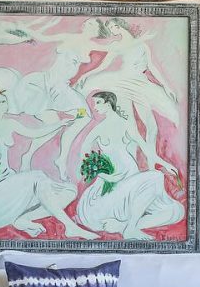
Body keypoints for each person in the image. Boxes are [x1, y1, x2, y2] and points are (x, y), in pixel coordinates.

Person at [0, 88, 98, 240]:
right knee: (38, 177)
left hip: (5, 183)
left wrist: (60, 124)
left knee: (69, 191)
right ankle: (70, 227)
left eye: (5, 100)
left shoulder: (10, 123)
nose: (5, 104)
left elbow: (35, 133)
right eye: (0, 102)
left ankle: (24, 219)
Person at [70, 18, 181, 178]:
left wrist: (166, 86)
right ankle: (133, 169)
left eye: (113, 27)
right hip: (122, 84)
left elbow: (152, 67)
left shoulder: (142, 45)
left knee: (151, 126)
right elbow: (103, 65)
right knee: (131, 127)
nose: (112, 31)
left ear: (119, 26)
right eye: (110, 29)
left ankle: (152, 164)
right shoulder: (116, 45)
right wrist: (85, 75)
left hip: (140, 84)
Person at [72, 91, 184, 240]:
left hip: (131, 178)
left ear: (109, 103)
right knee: (156, 177)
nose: (95, 107)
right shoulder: (98, 129)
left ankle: (124, 225)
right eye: (94, 104)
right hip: (111, 185)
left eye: (98, 102)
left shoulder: (125, 124)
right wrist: (102, 174)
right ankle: (130, 228)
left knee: (177, 211)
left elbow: (147, 150)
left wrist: (164, 164)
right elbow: (84, 155)